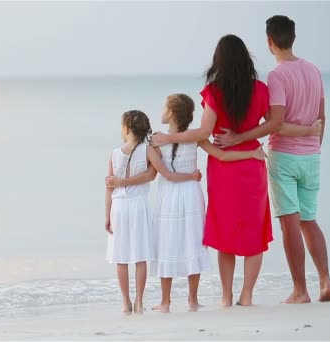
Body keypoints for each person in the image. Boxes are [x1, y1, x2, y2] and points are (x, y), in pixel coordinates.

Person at [150, 35, 278, 306]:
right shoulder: (261, 89)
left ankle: (226, 296)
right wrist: (244, 138)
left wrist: (168, 138)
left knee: (226, 232)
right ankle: (247, 296)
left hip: (224, 170)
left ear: (219, 60)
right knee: (253, 232)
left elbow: (205, 132)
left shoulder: (215, 91)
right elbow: (272, 125)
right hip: (252, 164)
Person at [214, 15, 330, 303]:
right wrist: (315, 145)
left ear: (269, 42)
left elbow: (276, 123)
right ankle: (326, 280)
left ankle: (300, 290)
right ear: (292, 37)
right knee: (309, 220)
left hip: (285, 155)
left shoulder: (277, 76)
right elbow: (322, 117)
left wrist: (238, 139)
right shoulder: (314, 70)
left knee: (289, 222)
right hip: (311, 156)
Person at [107, 95, 265, 312]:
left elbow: (153, 173)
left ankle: (165, 301)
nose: (161, 110)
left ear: (171, 113)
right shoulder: (193, 138)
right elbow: (221, 155)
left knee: (166, 243)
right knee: (192, 241)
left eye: (164, 107)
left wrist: (119, 184)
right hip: (190, 192)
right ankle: (192, 300)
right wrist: (252, 153)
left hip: (169, 195)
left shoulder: (156, 140)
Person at [105, 110, 200, 314]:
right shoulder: (148, 150)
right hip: (139, 206)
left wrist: (107, 215)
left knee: (120, 258)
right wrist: (191, 175)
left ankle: (125, 303)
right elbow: (159, 174)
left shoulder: (113, 154)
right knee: (140, 257)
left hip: (118, 207)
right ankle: (139, 302)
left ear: (127, 128)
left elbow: (109, 187)